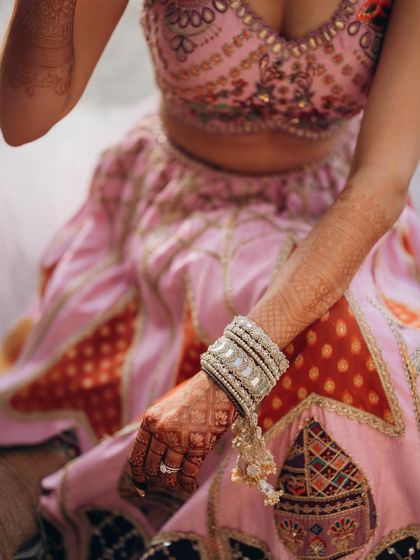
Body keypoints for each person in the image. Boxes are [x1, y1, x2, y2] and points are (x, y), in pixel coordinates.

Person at [1, 0, 420, 558]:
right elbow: (21, 119)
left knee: (352, 347)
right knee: (328, 354)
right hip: (180, 214)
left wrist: (229, 377)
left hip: (338, 214)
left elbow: (381, 181)